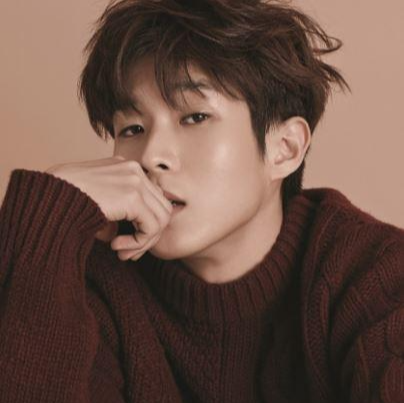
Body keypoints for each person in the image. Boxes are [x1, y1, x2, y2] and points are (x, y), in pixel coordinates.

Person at [0, 0, 403, 402]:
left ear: (285, 148)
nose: (151, 156)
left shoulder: (373, 274)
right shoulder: (90, 281)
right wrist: (48, 224)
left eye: (194, 117)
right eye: (133, 128)